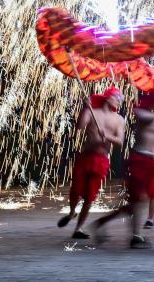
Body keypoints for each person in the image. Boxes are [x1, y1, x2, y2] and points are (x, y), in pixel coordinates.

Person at [93, 92, 154, 249]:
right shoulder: (144, 114)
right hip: (139, 160)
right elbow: (143, 115)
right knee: (139, 199)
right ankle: (135, 236)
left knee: (138, 202)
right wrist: (152, 107)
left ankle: (105, 223)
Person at [58, 86, 125, 239]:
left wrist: (107, 135)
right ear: (108, 97)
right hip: (86, 157)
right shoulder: (91, 111)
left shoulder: (119, 119)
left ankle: (78, 229)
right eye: (116, 97)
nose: (119, 101)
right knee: (76, 190)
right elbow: (79, 126)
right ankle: (72, 212)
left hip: (102, 161)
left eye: (120, 99)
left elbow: (120, 142)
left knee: (90, 197)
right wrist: (85, 108)